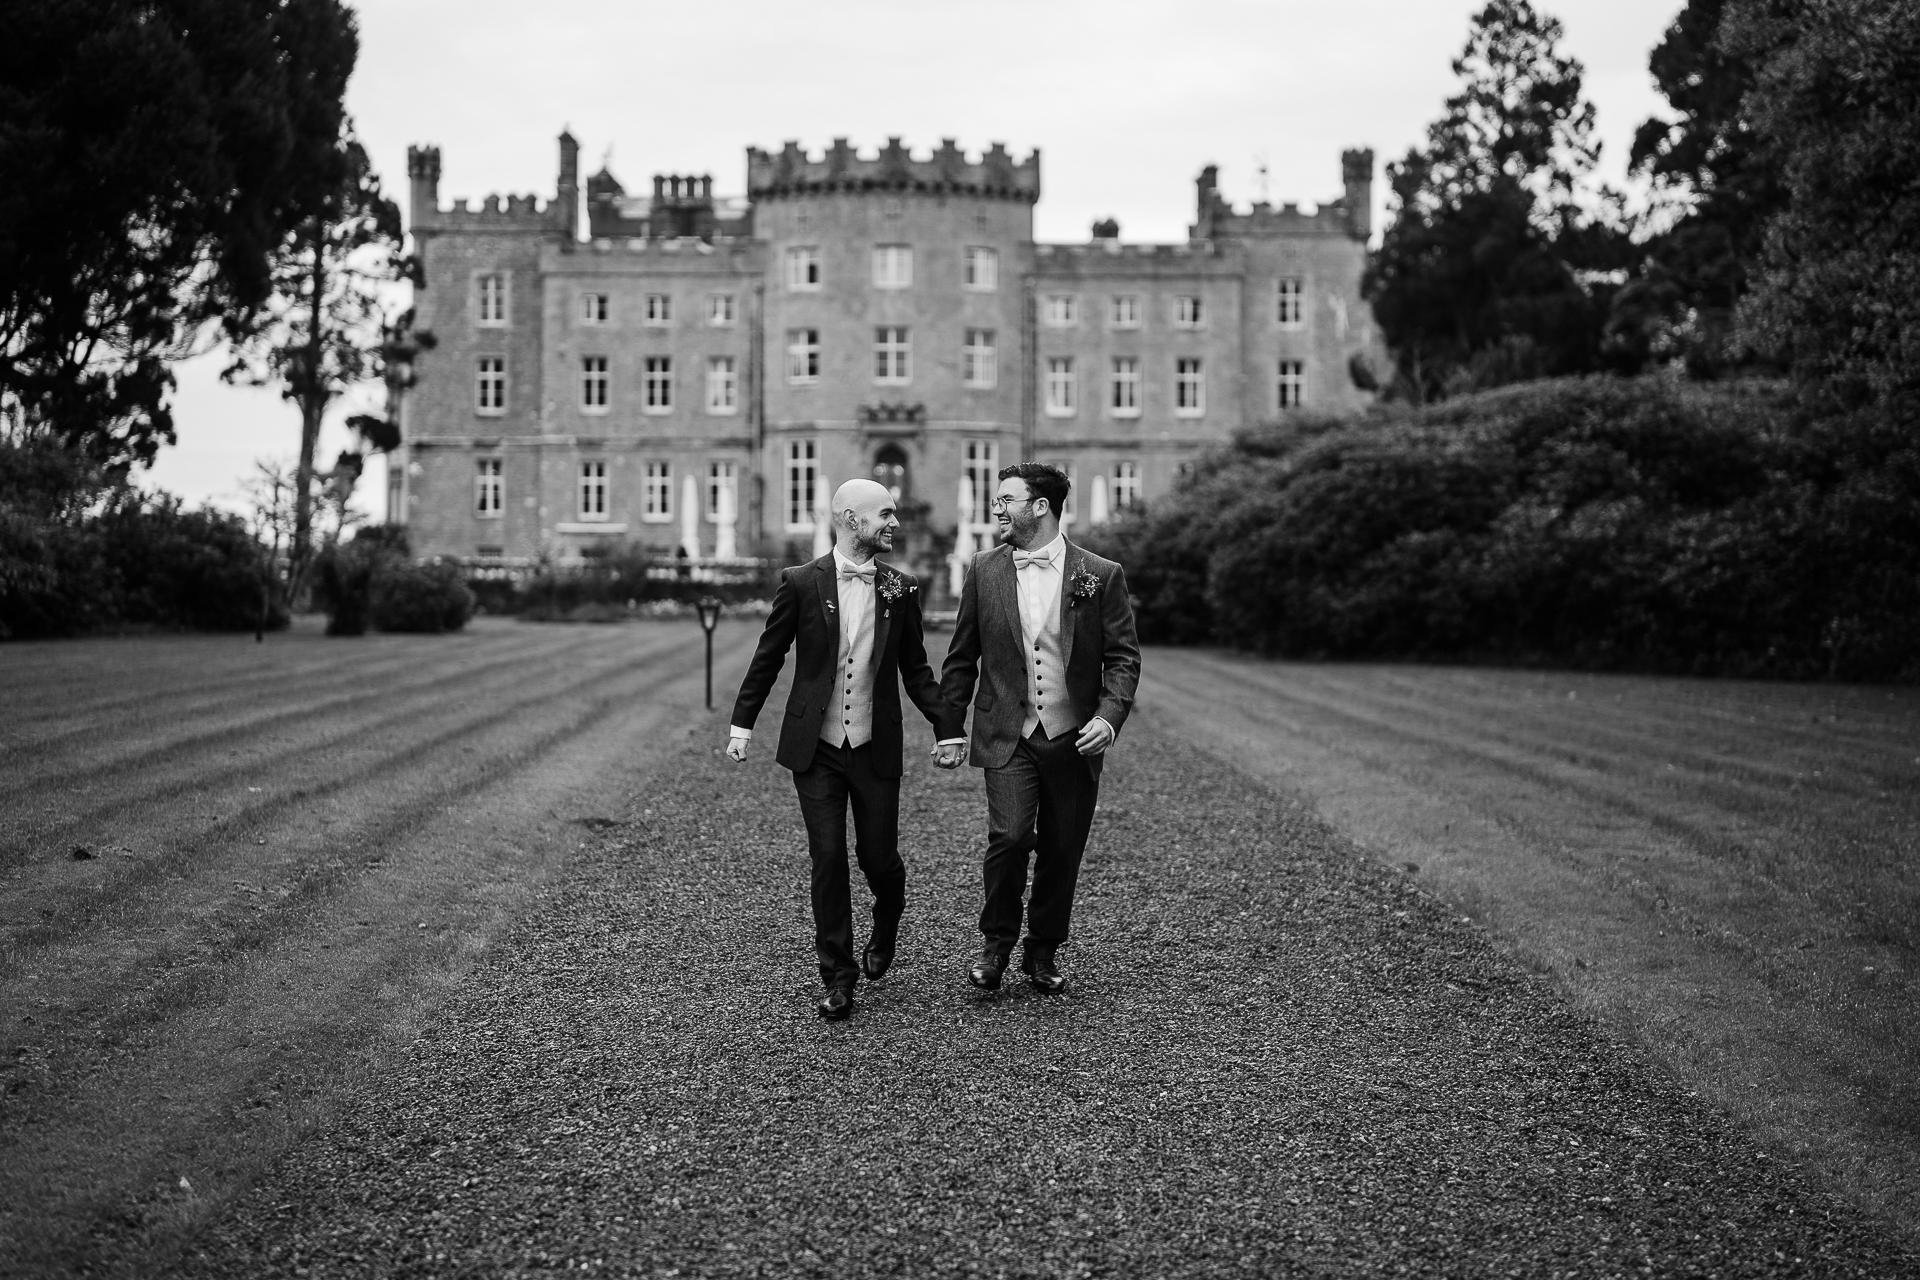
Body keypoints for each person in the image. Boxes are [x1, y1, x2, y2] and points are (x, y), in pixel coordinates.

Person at [726, 479, 960, 1020]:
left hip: (874, 746)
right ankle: (838, 974)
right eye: (884, 514)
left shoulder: (901, 588)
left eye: (895, 513)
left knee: (878, 858)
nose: (894, 523)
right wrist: (743, 725)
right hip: (817, 747)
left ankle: (888, 917)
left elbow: (917, 671)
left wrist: (948, 727)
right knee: (827, 856)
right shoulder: (802, 583)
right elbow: (769, 657)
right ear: (852, 519)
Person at [934, 463, 1141, 995]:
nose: (996, 508)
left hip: (1074, 737)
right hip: (1010, 732)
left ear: (1040, 507)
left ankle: (1043, 949)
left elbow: (1122, 659)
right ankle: (995, 944)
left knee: (1061, 846)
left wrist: (1108, 717)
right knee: (1008, 837)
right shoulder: (984, 569)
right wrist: (949, 729)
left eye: (1006, 499)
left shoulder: (1101, 573)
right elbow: (961, 659)